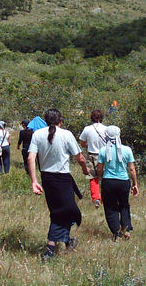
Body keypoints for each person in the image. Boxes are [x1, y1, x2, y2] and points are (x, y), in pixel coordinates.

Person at [28, 108, 90, 261]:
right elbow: (80, 157)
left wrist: (34, 181)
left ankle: (67, 241)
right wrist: (85, 168)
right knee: (65, 212)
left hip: (47, 179)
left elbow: (30, 158)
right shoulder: (66, 134)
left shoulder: (37, 134)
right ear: (60, 120)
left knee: (61, 211)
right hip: (62, 179)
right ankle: (50, 249)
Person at [96, 125, 139, 241]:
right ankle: (126, 229)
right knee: (124, 205)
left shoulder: (103, 150)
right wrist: (135, 184)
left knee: (110, 207)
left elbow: (99, 168)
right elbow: (131, 169)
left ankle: (116, 232)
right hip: (123, 182)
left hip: (108, 182)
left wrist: (100, 179)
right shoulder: (127, 150)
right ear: (119, 135)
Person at [79, 109, 107, 208]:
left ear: (91, 118)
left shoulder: (87, 129)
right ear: (101, 117)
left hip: (92, 155)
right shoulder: (106, 129)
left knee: (93, 178)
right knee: (105, 178)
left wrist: (88, 145)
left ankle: (96, 198)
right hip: (104, 155)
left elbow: (82, 142)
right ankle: (105, 198)